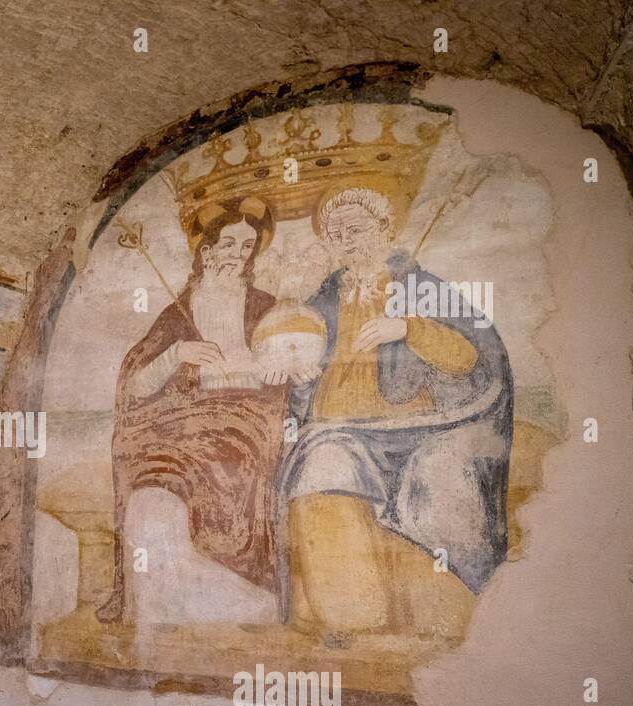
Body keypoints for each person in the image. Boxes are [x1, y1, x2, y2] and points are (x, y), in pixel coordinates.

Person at [277, 186, 512, 638]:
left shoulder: (422, 289)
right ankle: (352, 617)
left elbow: (471, 360)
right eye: (336, 232)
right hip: (338, 427)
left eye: (358, 228)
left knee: (440, 482)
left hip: (424, 427)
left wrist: (407, 327)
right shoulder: (321, 302)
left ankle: (442, 621)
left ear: (386, 230)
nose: (348, 239)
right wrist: (302, 373)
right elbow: (296, 365)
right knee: (320, 471)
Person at [98, 196, 288, 624]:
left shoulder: (266, 307)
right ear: (206, 252)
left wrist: (273, 367)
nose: (237, 256)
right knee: (138, 451)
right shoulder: (178, 312)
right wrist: (178, 353)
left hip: (248, 414)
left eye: (246, 246)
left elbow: (290, 362)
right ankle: (148, 595)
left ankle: (242, 586)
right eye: (228, 244)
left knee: (229, 458)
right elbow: (136, 383)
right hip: (182, 417)